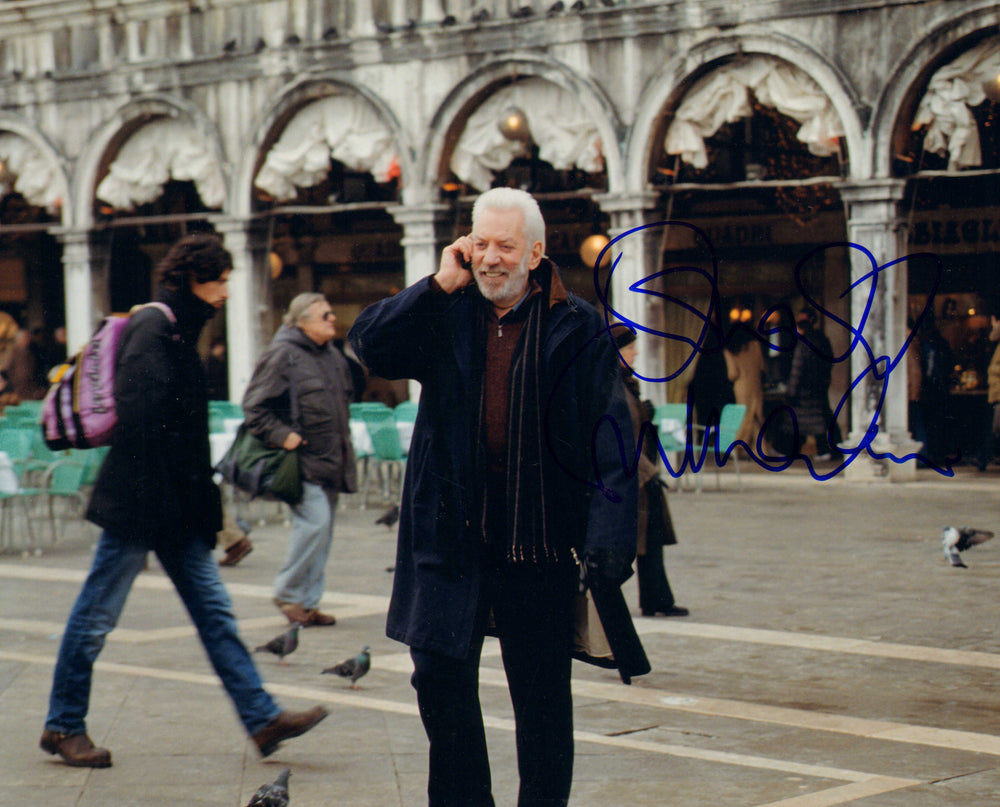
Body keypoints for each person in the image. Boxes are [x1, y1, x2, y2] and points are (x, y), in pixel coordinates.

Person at [349, 187, 636, 807]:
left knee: (542, 710)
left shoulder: (578, 325)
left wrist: (610, 538)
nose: (490, 258)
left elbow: (613, 439)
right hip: (452, 542)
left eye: (506, 246)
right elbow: (368, 343)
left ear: (535, 253)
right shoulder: (446, 310)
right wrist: (434, 284)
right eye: (480, 243)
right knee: (440, 685)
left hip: (537, 546)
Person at [40, 233, 327, 769]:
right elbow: (147, 425)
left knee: (215, 614)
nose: (225, 294)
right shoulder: (156, 327)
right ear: (197, 279)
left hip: (174, 510)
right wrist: (192, 507)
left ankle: (261, 719)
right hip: (141, 508)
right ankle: (62, 725)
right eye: (221, 282)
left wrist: (207, 512)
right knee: (95, 615)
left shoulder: (179, 328)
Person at [242, 292, 357, 627]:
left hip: (332, 459)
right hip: (301, 462)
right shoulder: (283, 354)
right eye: (325, 315)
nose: (333, 319)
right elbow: (254, 407)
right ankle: (289, 592)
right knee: (315, 524)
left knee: (324, 532)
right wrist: (284, 436)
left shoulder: (332, 355)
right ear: (301, 321)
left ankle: (307, 604)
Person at [612, 324, 687, 619]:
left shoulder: (627, 383)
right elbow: (617, 436)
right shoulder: (611, 386)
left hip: (643, 475)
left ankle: (658, 599)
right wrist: (648, 473)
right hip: (631, 478)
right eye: (630, 348)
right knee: (631, 545)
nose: (636, 353)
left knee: (652, 538)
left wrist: (647, 415)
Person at [786, 307, 837, 460]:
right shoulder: (821, 339)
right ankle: (831, 448)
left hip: (805, 389)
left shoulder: (803, 344)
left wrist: (791, 390)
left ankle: (824, 450)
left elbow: (797, 369)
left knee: (806, 421)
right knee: (818, 419)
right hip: (819, 386)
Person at [723, 323, 768, 455]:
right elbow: (762, 366)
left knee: (744, 416)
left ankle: (735, 446)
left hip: (741, 386)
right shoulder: (755, 345)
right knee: (756, 417)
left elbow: (733, 374)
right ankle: (761, 450)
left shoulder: (730, 350)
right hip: (756, 385)